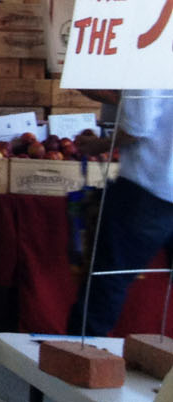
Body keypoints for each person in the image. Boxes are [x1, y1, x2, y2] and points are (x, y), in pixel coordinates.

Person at [68, 89, 173, 335]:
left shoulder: (149, 56)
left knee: (105, 288)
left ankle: (78, 365)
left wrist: (99, 145)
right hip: (155, 188)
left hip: (149, 188)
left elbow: (138, 127)